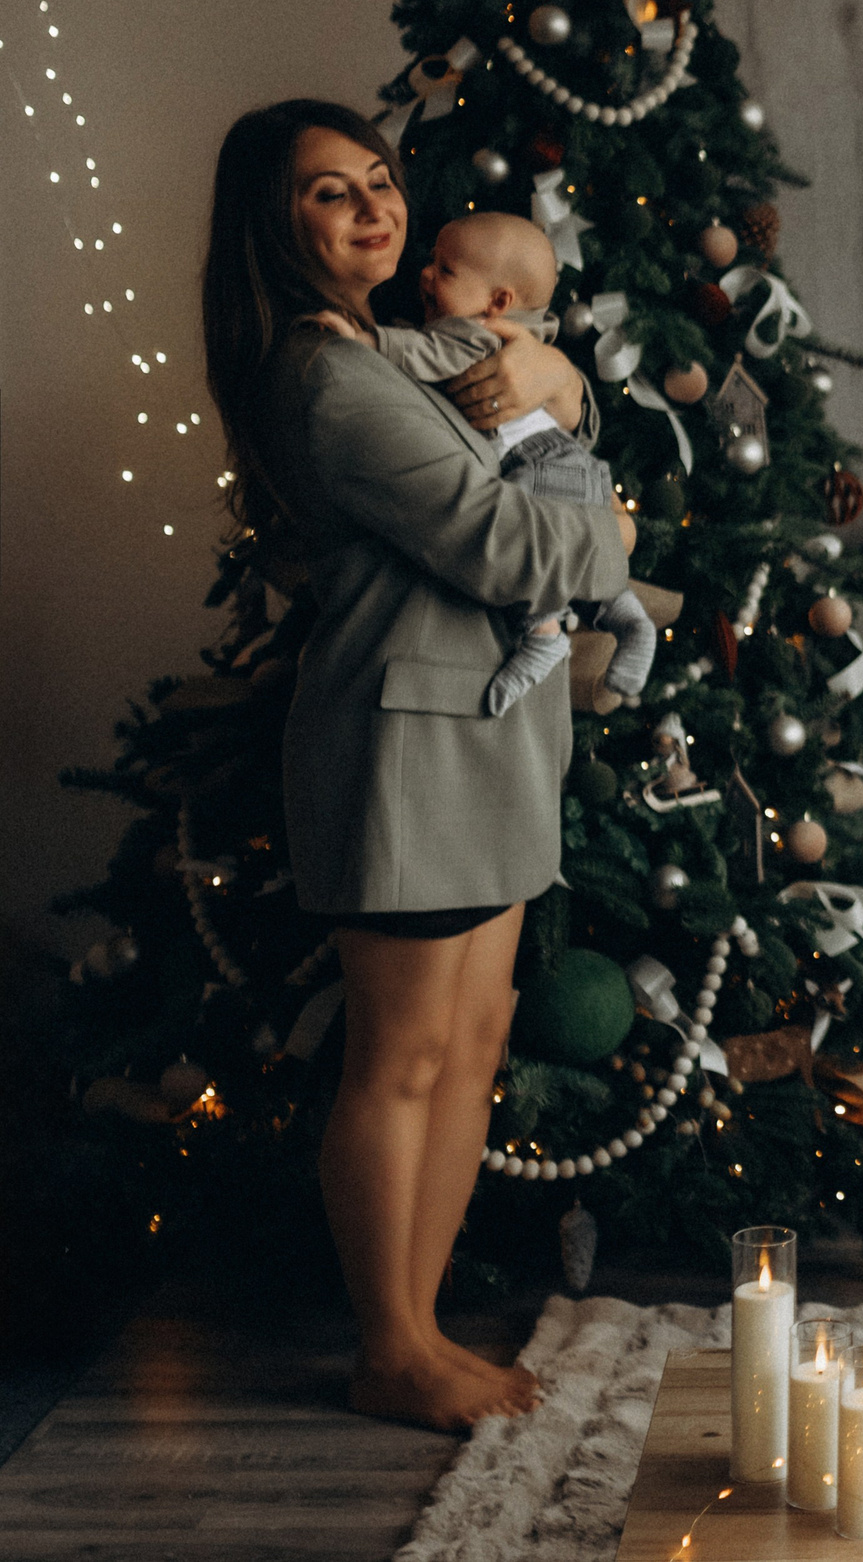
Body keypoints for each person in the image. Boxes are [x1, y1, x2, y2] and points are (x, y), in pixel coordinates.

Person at [203, 100, 635, 1431]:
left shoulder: (407, 353)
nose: (373, 205)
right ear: (277, 229)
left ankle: (424, 1323)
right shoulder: (324, 374)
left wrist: (570, 389)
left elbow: (541, 397)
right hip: (401, 748)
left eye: (380, 180)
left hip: (489, 740)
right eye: (331, 192)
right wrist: (609, 527)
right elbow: (506, 543)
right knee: (397, 1056)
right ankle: (388, 1343)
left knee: (477, 1037)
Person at [316, 210, 656, 718]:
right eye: (432, 262)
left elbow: (429, 353)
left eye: (445, 271)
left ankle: (544, 634)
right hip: (575, 466)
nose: (426, 275)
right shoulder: (524, 334)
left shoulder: (474, 332)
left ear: (497, 302)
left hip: (535, 463)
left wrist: (371, 343)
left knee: (533, 536)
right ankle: (631, 619)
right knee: (587, 566)